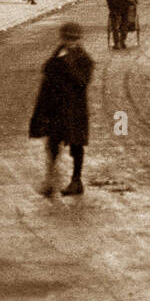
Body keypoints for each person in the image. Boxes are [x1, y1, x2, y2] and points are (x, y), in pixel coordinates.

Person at [28, 21, 94, 197]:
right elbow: (47, 74)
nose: (69, 42)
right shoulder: (57, 54)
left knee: (76, 146)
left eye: (73, 39)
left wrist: (66, 63)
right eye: (67, 38)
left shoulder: (84, 59)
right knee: (52, 144)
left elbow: (82, 82)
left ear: (79, 40)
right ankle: (50, 180)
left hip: (75, 109)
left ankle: (76, 180)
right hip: (56, 108)